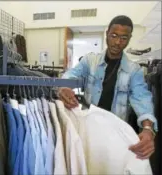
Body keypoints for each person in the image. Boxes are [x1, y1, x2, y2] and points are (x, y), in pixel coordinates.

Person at [58, 15, 157, 160]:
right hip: (88, 129)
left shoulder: (134, 70)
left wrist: (148, 128)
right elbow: (71, 74)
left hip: (115, 133)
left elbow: (142, 98)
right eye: (114, 36)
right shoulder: (89, 61)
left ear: (129, 39)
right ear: (107, 35)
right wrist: (65, 87)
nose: (117, 42)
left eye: (124, 38)